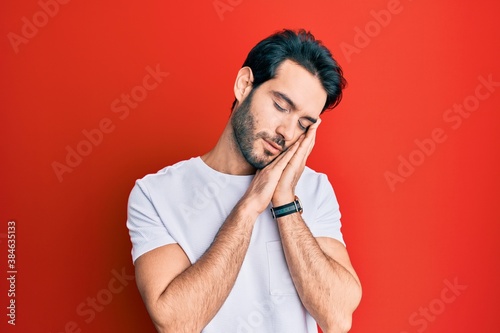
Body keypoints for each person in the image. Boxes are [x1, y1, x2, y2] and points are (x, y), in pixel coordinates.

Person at [127, 29, 361, 333]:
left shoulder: (314, 190)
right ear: (244, 85)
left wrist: (285, 202)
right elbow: (176, 323)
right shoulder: (155, 194)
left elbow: (337, 318)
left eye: (304, 124)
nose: (288, 132)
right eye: (280, 106)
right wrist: (250, 206)